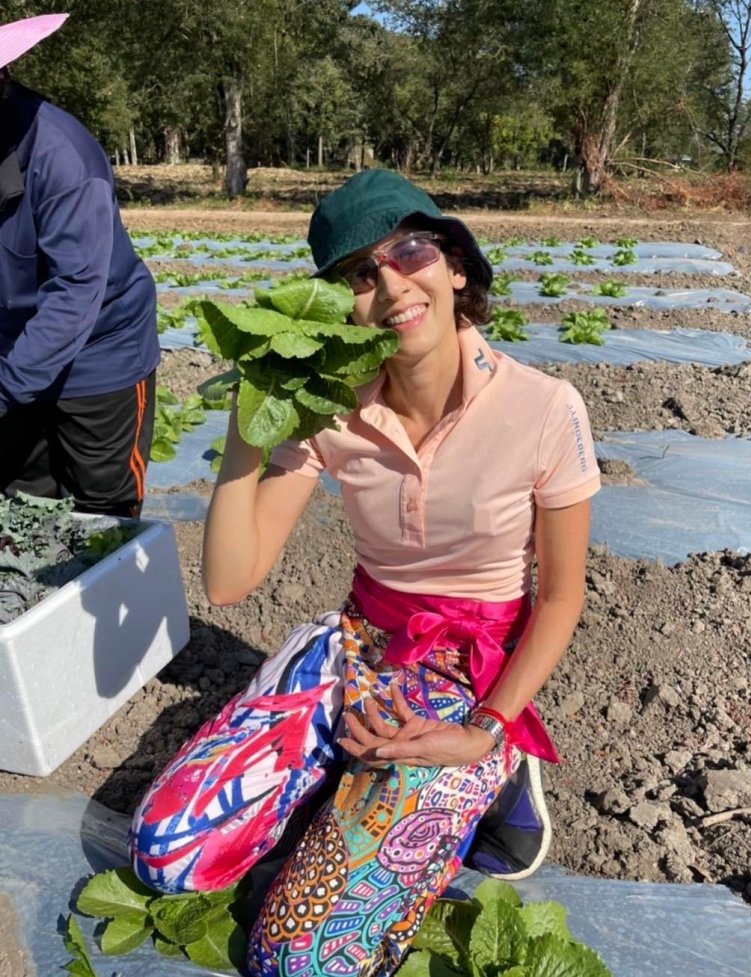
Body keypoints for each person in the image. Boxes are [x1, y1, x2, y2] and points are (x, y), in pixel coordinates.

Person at [129, 169, 600, 976]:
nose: (388, 283)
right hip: (358, 643)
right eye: (357, 273)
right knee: (165, 855)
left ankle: (500, 778)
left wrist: (485, 726)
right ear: (344, 305)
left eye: (408, 251)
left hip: (466, 675)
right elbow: (230, 581)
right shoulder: (333, 410)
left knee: (303, 958)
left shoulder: (546, 407)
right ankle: (344, 777)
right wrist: (254, 419)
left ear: (454, 265)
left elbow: (560, 594)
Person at [0, 14, 159, 517]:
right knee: (21, 503)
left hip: (100, 352)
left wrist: (2, 389)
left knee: (104, 508)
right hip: (10, 348)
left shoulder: (63, 159)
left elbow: (75, 292)